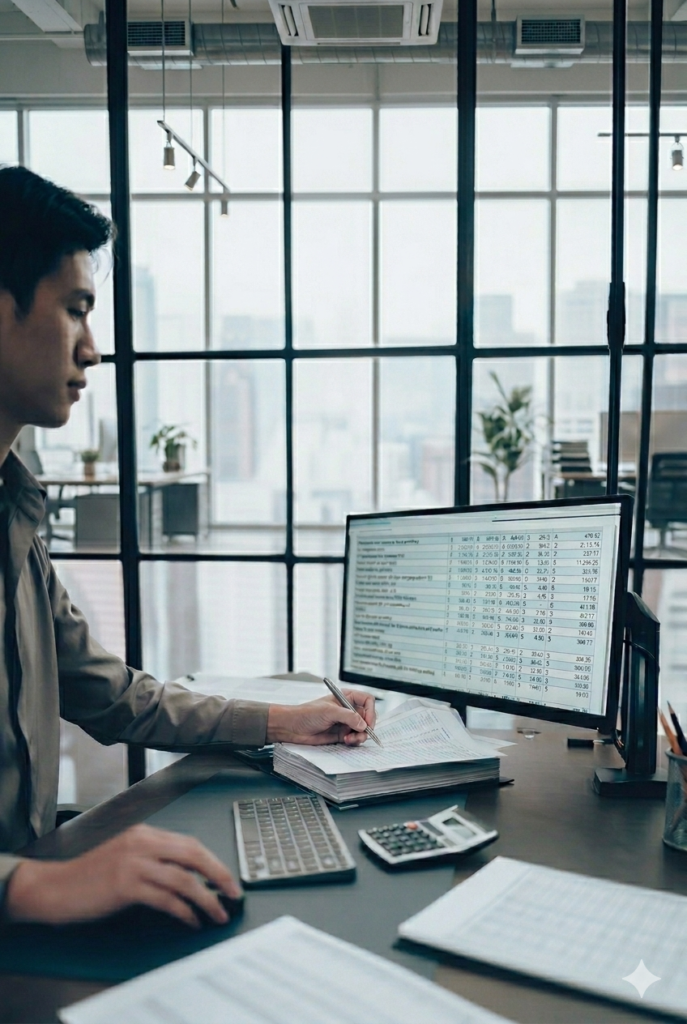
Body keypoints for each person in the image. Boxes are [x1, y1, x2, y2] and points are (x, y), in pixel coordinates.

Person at [0, 165, 376, 930]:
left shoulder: (16, 514)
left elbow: (111, 695)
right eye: (75, 310)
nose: (92, 352)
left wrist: (281, 723)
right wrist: (27, 886)